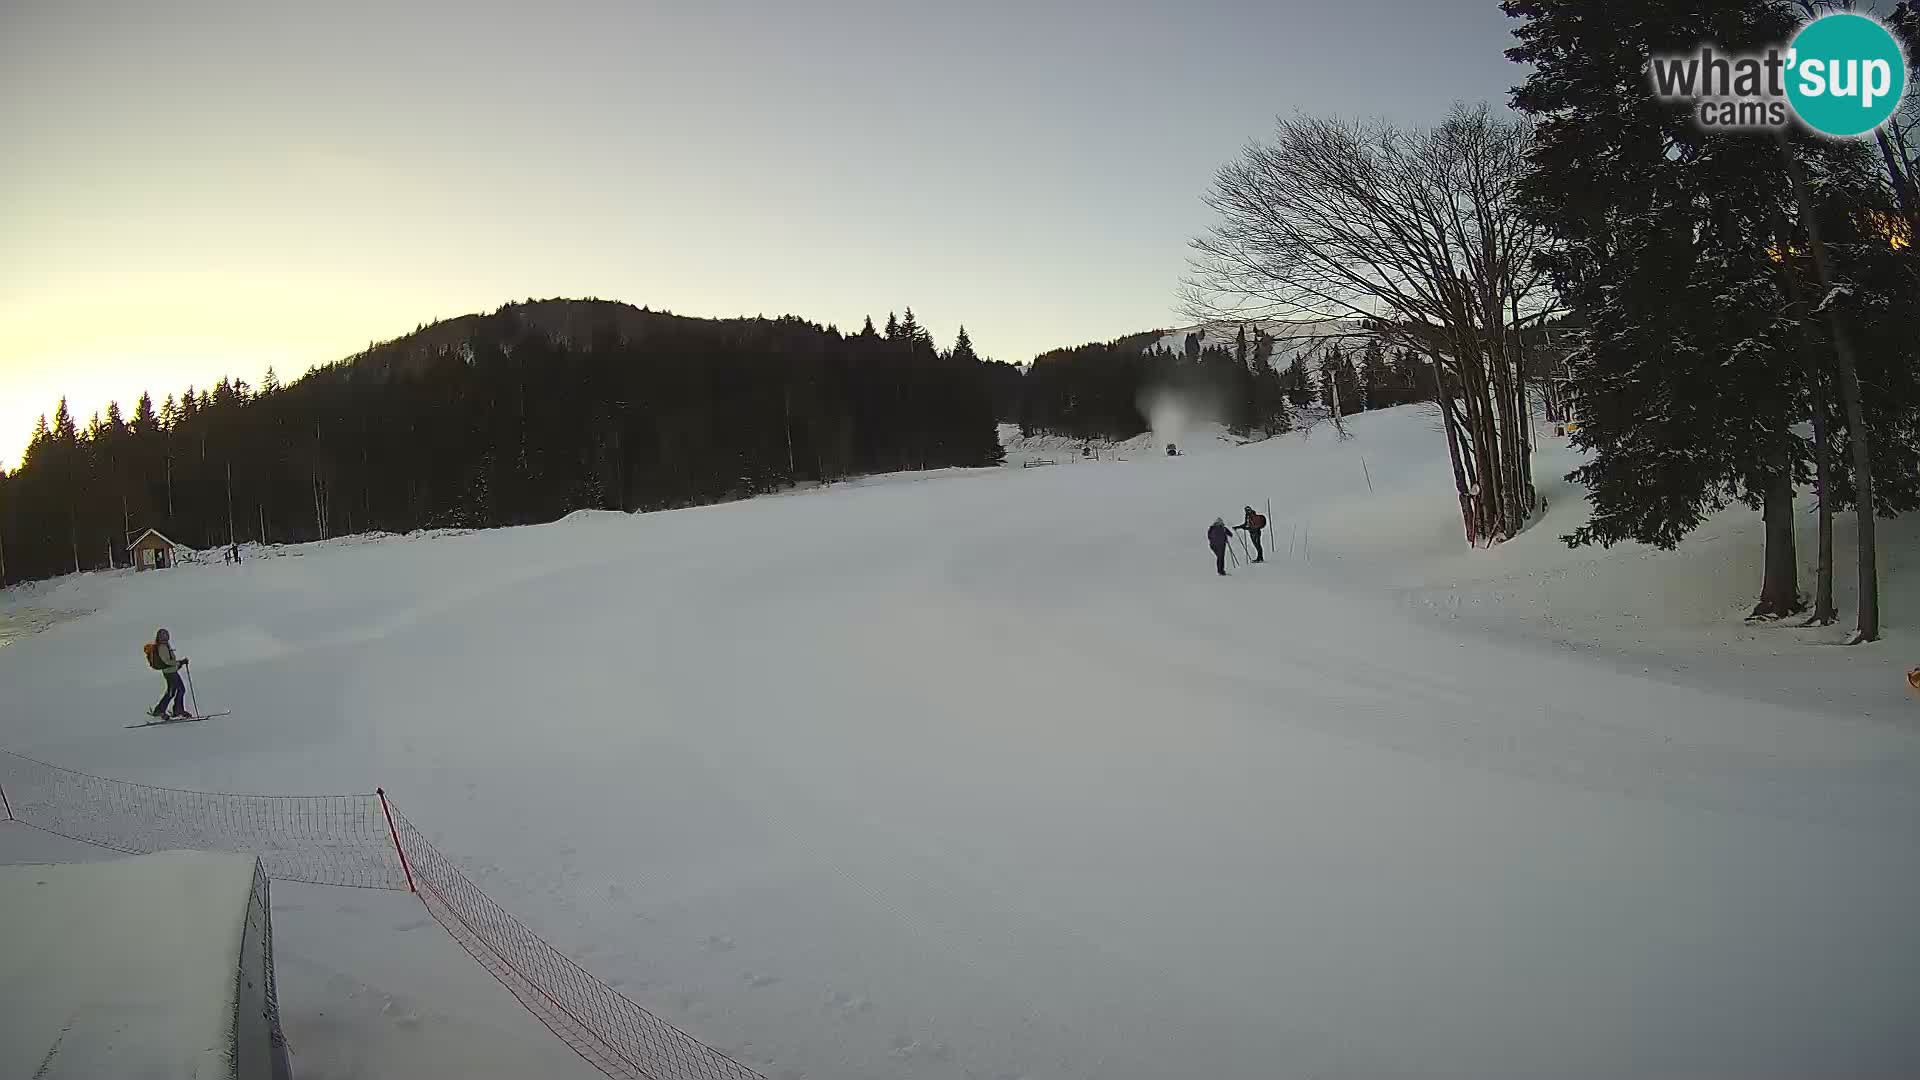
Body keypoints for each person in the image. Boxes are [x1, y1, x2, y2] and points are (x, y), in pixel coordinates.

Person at [147, 628, 190, 718]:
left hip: (171, 671)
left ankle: (167, 710)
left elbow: (169, 661)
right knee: (177, 690)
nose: (165, 637)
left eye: (166, 635)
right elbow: (166, 661)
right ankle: (172, 710)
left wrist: (179, 663)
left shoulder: (165, 645)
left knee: (174, 691)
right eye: (163, 636)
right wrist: (179, 662)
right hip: (170, 673)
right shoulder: (162, 647)